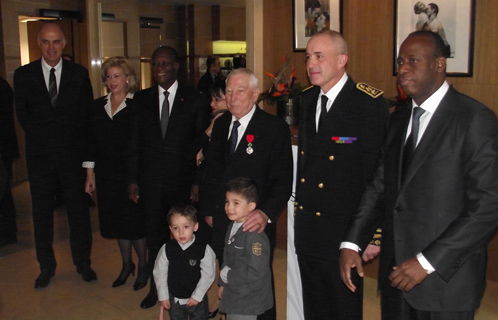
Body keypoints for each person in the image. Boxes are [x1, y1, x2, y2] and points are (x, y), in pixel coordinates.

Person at [339, 31, 498, 320]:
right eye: (400, 61)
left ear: (439, 65)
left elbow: (488, 206)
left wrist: (426, 262)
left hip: (445, 282)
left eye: (413, 60)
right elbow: (379, 185)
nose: (402, 69)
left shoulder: (474, 119)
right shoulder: (398, 118)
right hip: (396, 276)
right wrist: (352, 241)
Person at [294, 30, 389, 320]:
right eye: (309, 56)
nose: (311, 63)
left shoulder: (367, 103)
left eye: (319, 56)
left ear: (342, 60)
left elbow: (378, 175)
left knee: (342, 308)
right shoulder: (308, 99)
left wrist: (375, 234)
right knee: (314, 306)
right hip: (309, 227)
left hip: (344, 231)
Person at [199, 68, 293, 320]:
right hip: (222, 216)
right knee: (227, 272)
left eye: (240, 91)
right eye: (228, 91)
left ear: (254, 93)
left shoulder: (274, 129)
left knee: (255, 278)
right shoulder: (220, 127)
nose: (233, 97)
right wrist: (208, 210)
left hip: (255, 222)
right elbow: (211, 172)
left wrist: (265, 213)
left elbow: (283, 182)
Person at [128, 46, 211, 309]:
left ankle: (188, 287)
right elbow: (134, 144)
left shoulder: (195, 99)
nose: (159, 67)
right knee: (155, 238)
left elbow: (202, 145)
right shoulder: (141, 99)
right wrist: (132, 179)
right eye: (155, 64)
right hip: (150, 182)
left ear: (176, 66)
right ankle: (157, 290)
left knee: (185, 238)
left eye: (164, 63)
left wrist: (197, 181)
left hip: (183, 183)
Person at [14, 22, 96, 288]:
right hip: (40, 160)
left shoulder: (79, 74)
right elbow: (24, 116)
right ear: (39, 43)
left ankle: (83, 263)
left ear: (64, 44)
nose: (51, 47)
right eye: (46, 42)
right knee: (41, 215)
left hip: (73, 161)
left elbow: (86, 122)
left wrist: (87, 166)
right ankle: (46, 267)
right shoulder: (23, 75)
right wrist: (47, 141)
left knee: (79, 214)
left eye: (56, 42)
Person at [83, 57, 147, 290]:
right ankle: (126, 264)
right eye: (109, 76)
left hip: (132, 174)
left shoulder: (138, 105)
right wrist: (90, 174)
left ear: (128, 78)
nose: (112, 81)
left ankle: (143, 266)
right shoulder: (97, 106)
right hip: (107, 174)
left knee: (135, 222)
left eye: (117, 76)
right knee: (118, 222)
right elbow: (89, 143)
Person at [218, 177, 273, 319]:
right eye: (227, 202)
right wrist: (223, 283)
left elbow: (256, 271)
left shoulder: (255, 236)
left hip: (247, 299)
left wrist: (227, 276)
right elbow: (228, 257)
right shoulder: (233, 225)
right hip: (234, 292)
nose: (229, 207)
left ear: (251, 206)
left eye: (236, 203)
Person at [153, 204, 216, 320]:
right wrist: (163, 295)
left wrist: (197, 295)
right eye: (176, 228)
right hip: (175, 300)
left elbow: (208, 274)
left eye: (186, 227)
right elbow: (159, 272)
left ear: (195, 227)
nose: (181, 232)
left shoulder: (203, 249)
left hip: (198, 300)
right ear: (171, 229)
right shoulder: (167, 249)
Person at [0, 76, 20, 247]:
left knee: (3, 190)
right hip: (4, 147)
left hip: (2, 147)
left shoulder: (2, 86)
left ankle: (7, 232)